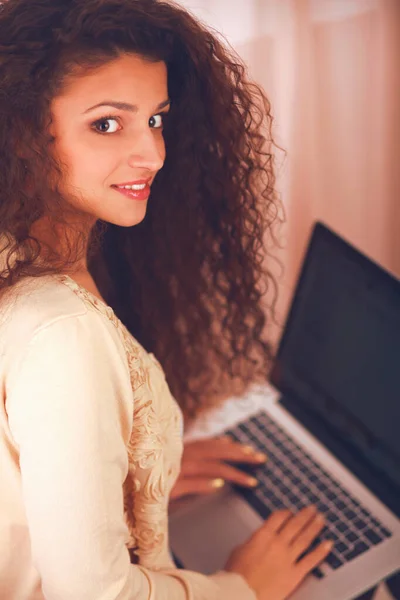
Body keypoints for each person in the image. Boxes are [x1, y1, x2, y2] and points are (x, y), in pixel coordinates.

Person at [0, 0, 334, 598]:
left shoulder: (19, 254)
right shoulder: (64, 333)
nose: (152, 154)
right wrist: (244, 587)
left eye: (156, 119)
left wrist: (136, 481)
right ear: (21, 135)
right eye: (107, 124)